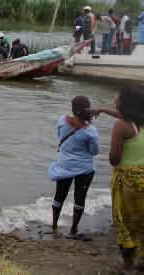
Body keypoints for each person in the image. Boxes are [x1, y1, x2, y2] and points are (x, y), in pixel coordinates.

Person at [93, 86, 144, 273]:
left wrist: (115, 147)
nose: (115, 101)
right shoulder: (137, 122)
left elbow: (114, 159)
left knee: (124, 223)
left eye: (118, 99)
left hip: (128, 181)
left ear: (126, 104)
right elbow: (126, 119)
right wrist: (103, 110)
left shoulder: (122, 126)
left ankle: (128, 266)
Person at [47, 96, 99, 239]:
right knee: (79, 199)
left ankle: (54, 226)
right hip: (84, 169)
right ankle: (73, 230)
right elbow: (94, 151)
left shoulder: (62, 121)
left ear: (73, 109)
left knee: (59, 196)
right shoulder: (91, 131)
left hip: (64, 165)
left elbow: (60, 137)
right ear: (88, 110)